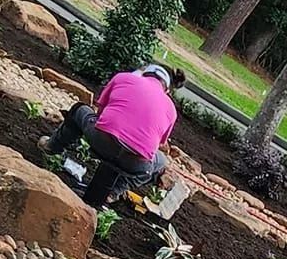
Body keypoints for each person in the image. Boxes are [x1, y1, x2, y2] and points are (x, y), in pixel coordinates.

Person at [41, 64, 186, 206]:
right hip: (135, 163)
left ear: (143, 72)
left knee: (80, 110)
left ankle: (52, 148)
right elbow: (159, 144)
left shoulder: (123, 78)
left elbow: (100, 112)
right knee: (160, 161)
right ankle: (114, 192)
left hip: (102, 141)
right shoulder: (171, 110)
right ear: (166, 89)